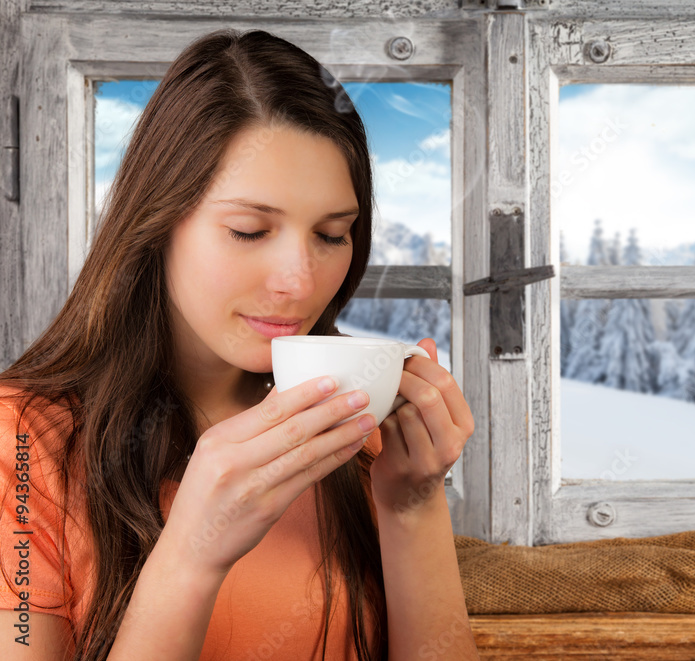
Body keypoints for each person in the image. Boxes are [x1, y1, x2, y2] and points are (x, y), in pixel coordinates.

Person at [0, 28, 478, 661]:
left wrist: (413, 504)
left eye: (332, 235)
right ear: (157, 222)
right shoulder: (21, 446)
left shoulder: (355, 434)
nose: (299, 282)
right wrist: (191, 556)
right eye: (250, 231)